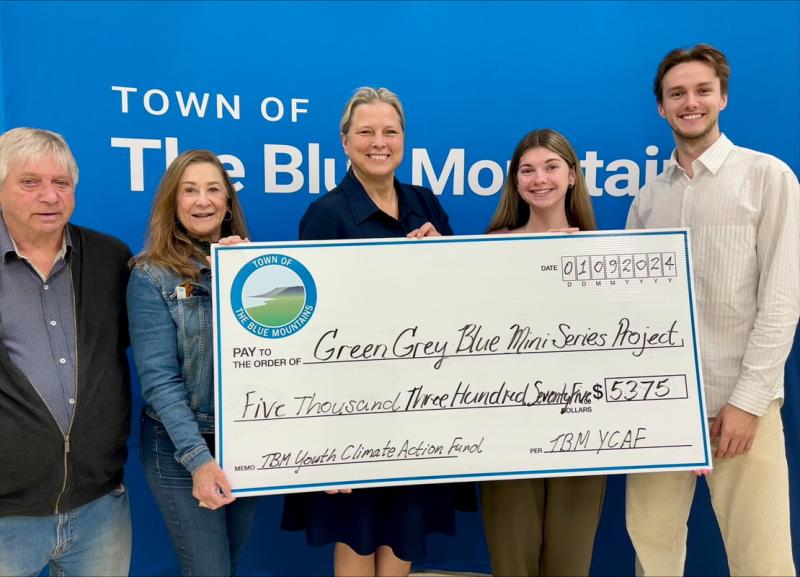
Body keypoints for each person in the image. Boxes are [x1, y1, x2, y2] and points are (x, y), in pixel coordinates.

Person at [280, 86, 477, 577]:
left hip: (418, 405)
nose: (378, 142)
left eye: (390, 131)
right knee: (358, 532)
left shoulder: (425, 204)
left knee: (405, 530)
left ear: (404, 139)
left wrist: (444, 258)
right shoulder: (325, 215)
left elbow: (459, 303)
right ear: (345, 141)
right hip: (353, 410)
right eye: (365, 132)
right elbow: (311, 329)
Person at [625, 44, 799, 576]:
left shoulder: (767, 178)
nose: (690, 102)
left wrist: (747, 401)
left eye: (703, 90)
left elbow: (782, 299)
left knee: (762, 560)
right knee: (652, 552)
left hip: (743, 405)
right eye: (677, 94)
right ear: (661, 107)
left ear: (722, 97)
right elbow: (632, 313)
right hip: (660, 411)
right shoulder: (647, 200)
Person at [0, 127, 132, 576]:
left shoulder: (110, 258)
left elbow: (164, 337)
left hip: (100, 507)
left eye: (61, 182)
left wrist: (224, 268)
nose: (50, 196)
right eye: (30, 182)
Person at [127, 150, 259, 576]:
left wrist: (243, 273)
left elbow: (281, 359)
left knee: (227, 564)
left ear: (227, 203)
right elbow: (159, 382)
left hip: (243, 442)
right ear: (173, 202)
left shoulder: (253, 267)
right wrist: (199, 460)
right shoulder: (150, 276)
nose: (203, 201)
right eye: (190, 190)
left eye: (213, 189)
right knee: (209, 570)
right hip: (180, 445)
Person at [480, 128, 606, 577]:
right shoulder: (489, 248)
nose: (540, 179)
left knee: (570, 563)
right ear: (515, 182)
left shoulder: (603, 256)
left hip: (582, 429)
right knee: (512, 562)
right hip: (508, 429)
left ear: (572, 175)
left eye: (551, 167)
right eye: (527, 170)